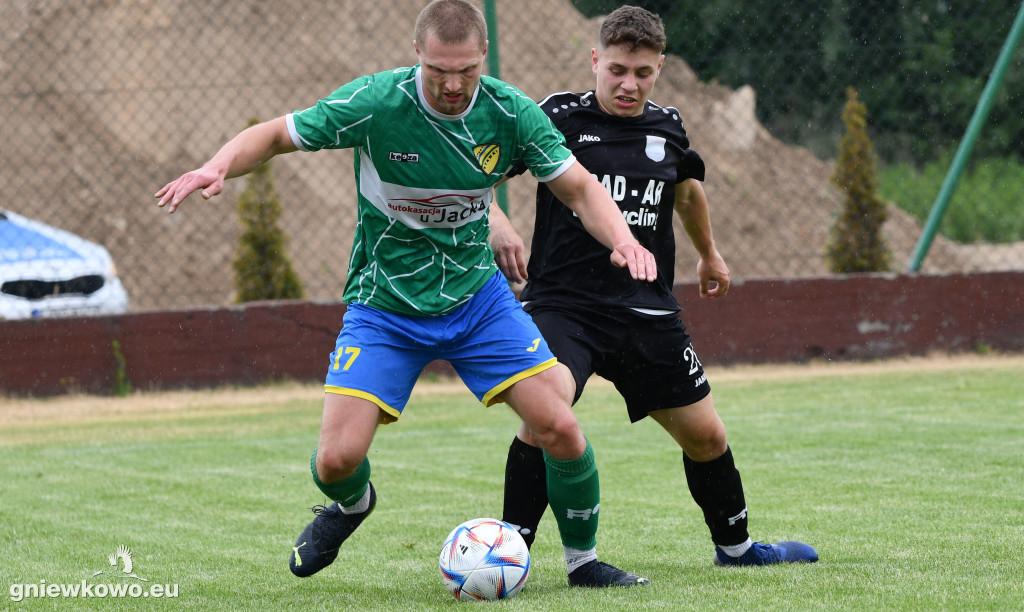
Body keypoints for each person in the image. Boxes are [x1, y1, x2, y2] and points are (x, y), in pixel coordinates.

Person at [156, 0, 657, 588]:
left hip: (477, 303)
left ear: (484, 55)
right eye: (439, 70)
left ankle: (582, 562)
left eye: (466, 70)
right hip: (385, 307)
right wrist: (218, 165)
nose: (453, 84)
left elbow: (580, 189)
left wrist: (624, 240)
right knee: (335, 462)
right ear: (417, 53)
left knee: (561, 428)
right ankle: (352, 504)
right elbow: (274, 136)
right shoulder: (377, 103)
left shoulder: (510, 112)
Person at [490, 5, 818, 566]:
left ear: (660, 67)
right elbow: (479, 177)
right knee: (547, 415)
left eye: (643, 73)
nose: (629, 84)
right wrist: (497, 222)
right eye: (617, 70)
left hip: (646, 311)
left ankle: (737, 550)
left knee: (707, 437)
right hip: (565, 308)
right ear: (595, 60)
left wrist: (710, 255)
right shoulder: (556, 116)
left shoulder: (669, 126)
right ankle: (506, 550)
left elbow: (687, 193)